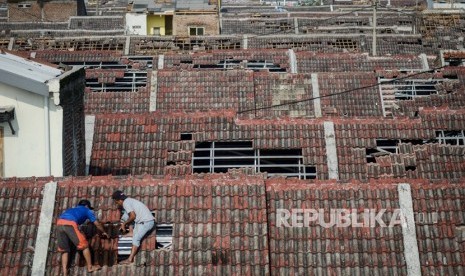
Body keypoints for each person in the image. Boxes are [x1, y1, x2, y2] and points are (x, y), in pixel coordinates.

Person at [56, 199, 109, 275]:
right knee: (84, 246)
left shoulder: (72, 209)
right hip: (70, 224)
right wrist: (104, 232)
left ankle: (64, 273)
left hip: (59, 223)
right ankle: (90, 267)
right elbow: (97, 223)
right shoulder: (87, 210)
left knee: (64, 250)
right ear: (87, 206)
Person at [112, 190, 155, 264]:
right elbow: (129, 216)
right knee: (125, 215)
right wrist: (122, 222)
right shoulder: (129, 200)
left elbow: (132, 216)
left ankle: (129, 259)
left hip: (147, 222)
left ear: (118, 200)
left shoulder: (125, 203)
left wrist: (124, 224)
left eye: (116, 202)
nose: (117, 204)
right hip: (140, 222)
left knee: (136, 239)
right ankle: (131, 231)